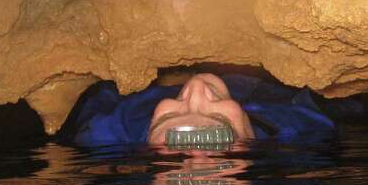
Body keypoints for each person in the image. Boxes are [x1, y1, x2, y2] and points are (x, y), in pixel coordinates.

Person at [71, 72, 337, 147]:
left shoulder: (111, 124)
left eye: (173, 114)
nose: (196, 88)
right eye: (218, 115)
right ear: (251, 133)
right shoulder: (296, 123)